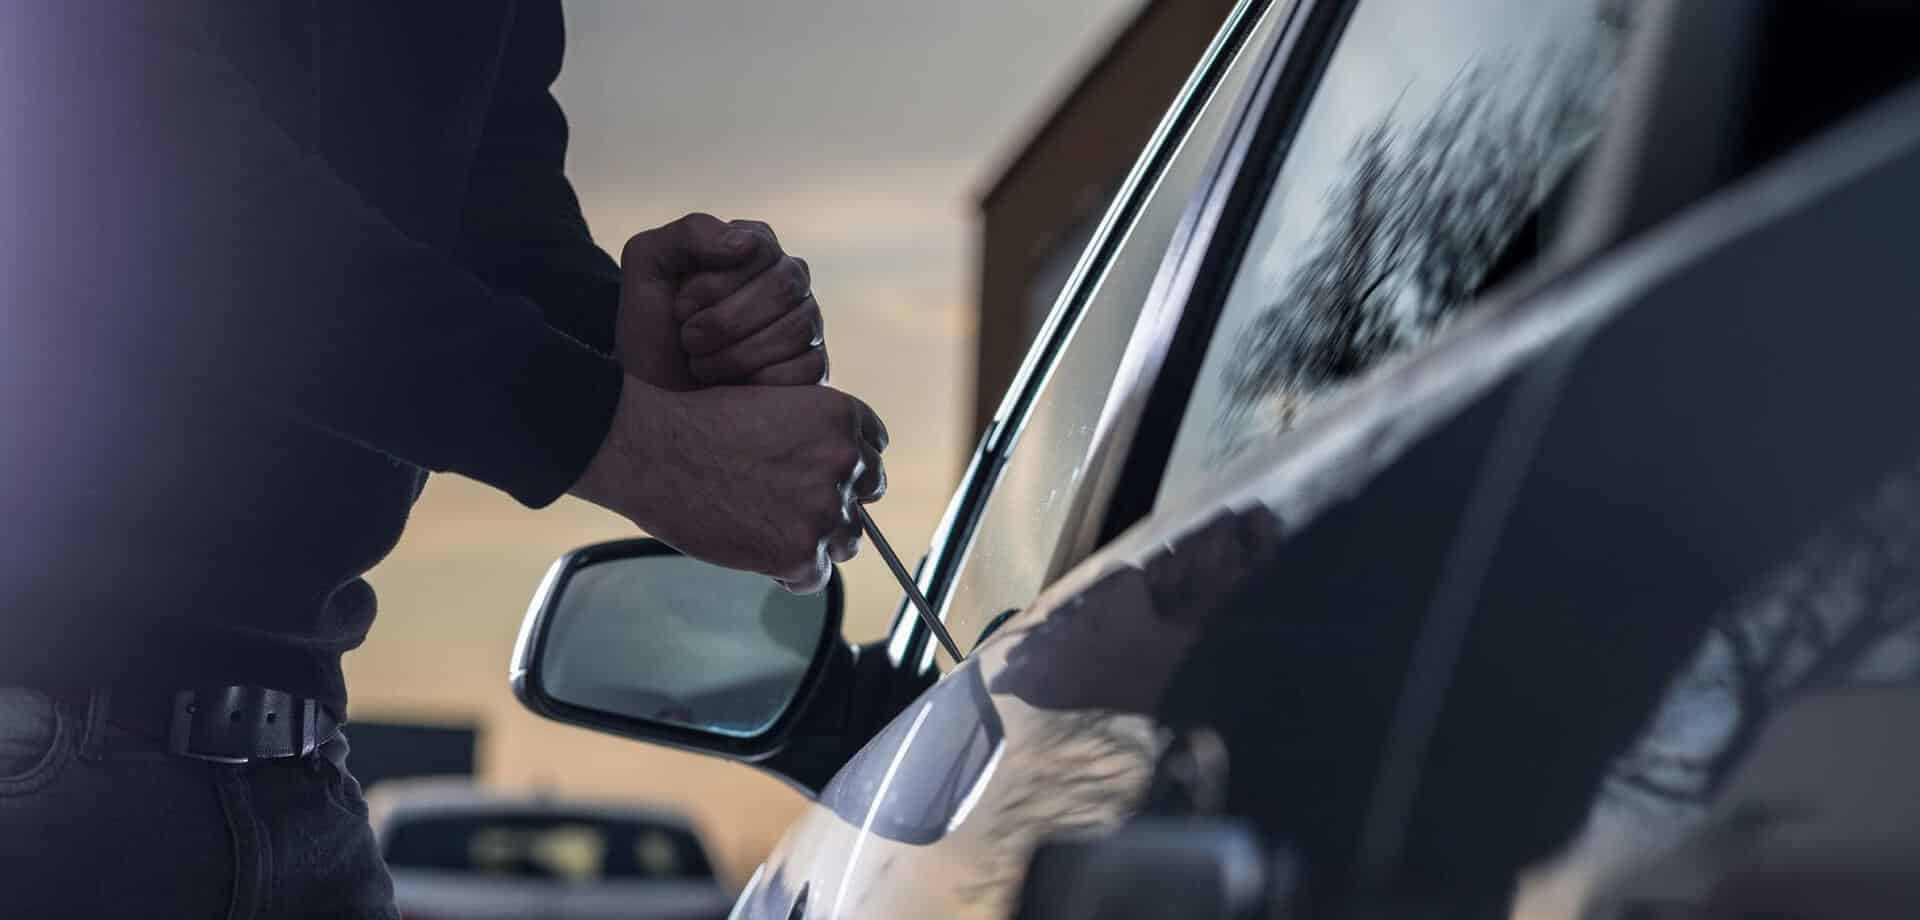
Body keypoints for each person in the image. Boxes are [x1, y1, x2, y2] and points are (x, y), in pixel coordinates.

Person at [0, 2, 885, 916]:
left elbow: (483, 207)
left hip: (293, 773)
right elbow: (115, 167)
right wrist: (636, 444)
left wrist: (635, 348)